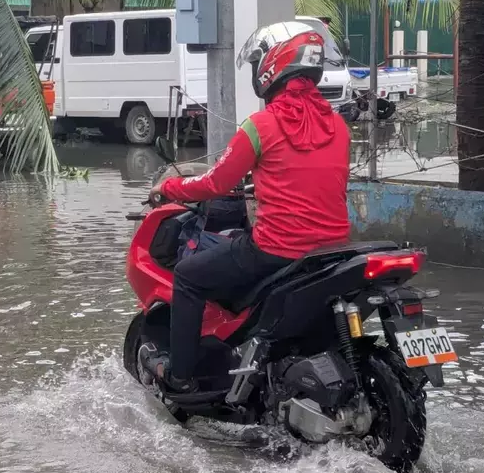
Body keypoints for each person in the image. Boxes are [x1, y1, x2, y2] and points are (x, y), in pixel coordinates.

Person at [143, 21, 351, 394]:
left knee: (189, 275)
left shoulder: (260, 126)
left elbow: (215, 184)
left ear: (273, 67)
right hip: (333, 251)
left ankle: (181, 376)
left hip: (278, 251)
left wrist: (169, 189)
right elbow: (316, 180)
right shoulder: (338, 125)